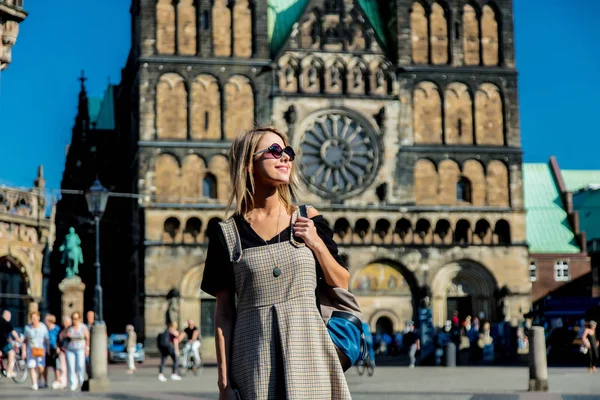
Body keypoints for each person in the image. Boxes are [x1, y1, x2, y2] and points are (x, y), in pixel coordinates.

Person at [201, 127, 351, 400]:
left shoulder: (308, 218)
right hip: (253, 357)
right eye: (274, 151)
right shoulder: (226, 234)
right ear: (248, 165)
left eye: (288, 152)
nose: (285, 158)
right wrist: (224, 383)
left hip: (310, 350)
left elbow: (341, 282)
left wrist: (316, 243)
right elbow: (223, 314)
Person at [23, 310, 49, 391]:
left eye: (35, 318)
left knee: (41, 367)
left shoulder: (43, 326)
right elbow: (25, 340)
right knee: (32, 366)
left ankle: (39, 378)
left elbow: (47, 338)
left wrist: (48, 348)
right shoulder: (27, 328)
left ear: (38, 318)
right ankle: (34, 383)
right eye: (32, 318)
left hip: (41, 349)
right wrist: (23, 351)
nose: (34, 319)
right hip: (31, 350)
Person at [66, 312, 90, 391]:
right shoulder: (69, 328)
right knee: (71, 367)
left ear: (79, 319)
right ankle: (73, 383)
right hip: (70, 349)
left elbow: (87, 338)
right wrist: (66, 335)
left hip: (80, 349)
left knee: (80, 366)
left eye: (76, 319)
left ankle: (81, 381)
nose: (74, 321)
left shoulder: (83, 327)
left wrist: (87, 348)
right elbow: (63, 336)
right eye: (73, 319)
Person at [0, 310, 21, 379]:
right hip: (2, 343)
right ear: (6, 316)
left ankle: (3, 368)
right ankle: (9, 371)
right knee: (11, 352)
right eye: (9, 316)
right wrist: (19, 339)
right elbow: (13, 332)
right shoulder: (5, 322)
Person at [53, 315, 71, 389]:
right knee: (62, 367)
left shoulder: (71, 329)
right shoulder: (61, 330)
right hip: (62, 350)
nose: (65, 323)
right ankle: (63, 382)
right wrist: (57, 347)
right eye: (64, 322)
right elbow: (57, 339)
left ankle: (73, 381)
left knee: (71, 366)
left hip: (70, 350)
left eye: (66, 322)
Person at [43, 314, 61, 389]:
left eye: (46, 320)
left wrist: (58, 347)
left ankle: (57, 381)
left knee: (55, 366)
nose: (45, 321)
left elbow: (59, 338)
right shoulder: (44, 329)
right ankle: (45, 382)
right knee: (45, 366)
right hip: (46, 349)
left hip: (54, 349)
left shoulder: (56, 328)